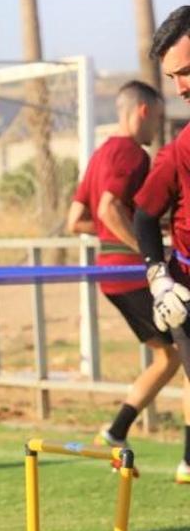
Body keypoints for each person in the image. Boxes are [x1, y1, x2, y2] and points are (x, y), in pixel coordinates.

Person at [66, 81, 188, 469]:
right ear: (143, 111)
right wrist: (151, 251)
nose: (156, 130)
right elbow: (108, 208)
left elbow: (77, 220)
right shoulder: (133, 154)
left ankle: (116, 431)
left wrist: (114, 238)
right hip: (136, 273)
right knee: (185, 357)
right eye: (157, 117)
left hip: (109, 274)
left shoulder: (100, 154)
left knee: (166, 358)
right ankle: (187, 461)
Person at [132, 5, 190, 484]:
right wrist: (158, 276)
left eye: (186, 71)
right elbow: (143, 215)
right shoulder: (180, 150)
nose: (181, 88)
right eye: (173, 77)